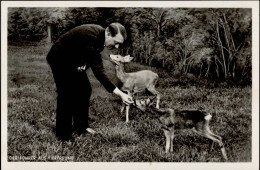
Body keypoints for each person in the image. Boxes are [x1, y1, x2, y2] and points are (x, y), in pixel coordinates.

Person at [46, 23, 133, 141]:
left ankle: (81, 127)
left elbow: (85, 53)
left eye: (119, 44)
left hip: (72, 59)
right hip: (59, 58)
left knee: (85, 89)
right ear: (108, 32)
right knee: (66, 94)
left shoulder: (100, 38)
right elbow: (99, 72)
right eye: (116, 42)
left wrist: (82, 65)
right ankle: (63, 135)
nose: (117, 47)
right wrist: (121, 94)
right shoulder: (92, 37)